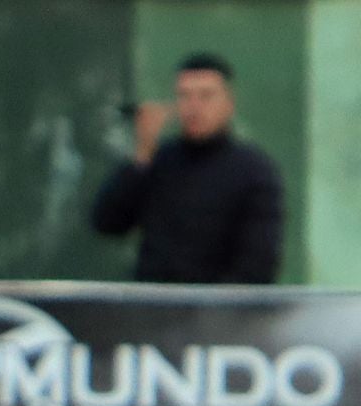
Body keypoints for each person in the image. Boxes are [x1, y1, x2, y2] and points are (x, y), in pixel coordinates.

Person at [91, 53, 282, 283]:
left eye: (206, 96)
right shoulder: (159, 161)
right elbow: (107, 222)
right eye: (184, 96)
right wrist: (142, 156)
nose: (194, 107)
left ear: (229, 103)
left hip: (221, 311)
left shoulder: (253, 170)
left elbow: (258, 263)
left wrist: (214, 310)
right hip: (153, 306)